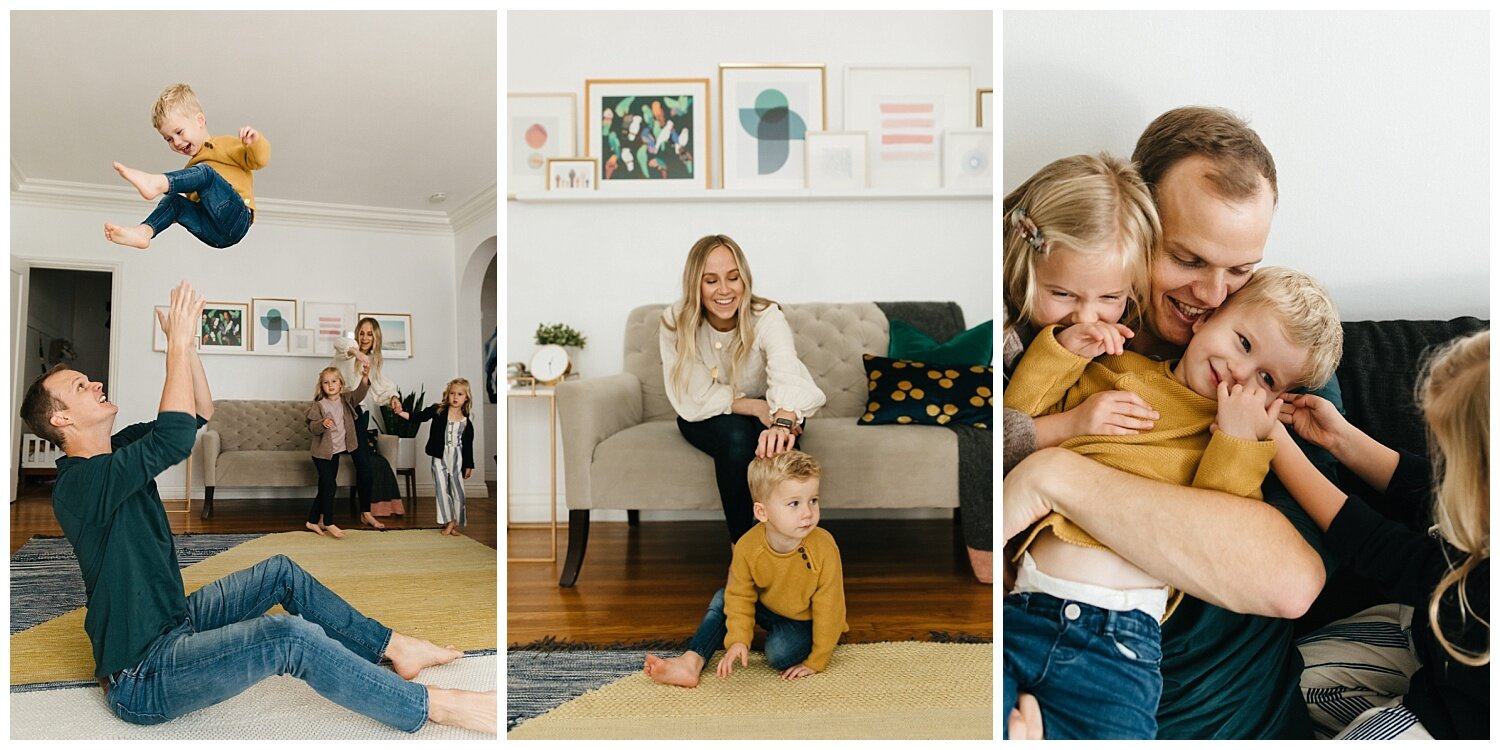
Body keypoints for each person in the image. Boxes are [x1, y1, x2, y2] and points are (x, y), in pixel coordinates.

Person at [17, 280, 494, 733]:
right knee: (286, 638)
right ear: (61, 418)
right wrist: (177, 346)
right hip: (143, 674)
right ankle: (434, 706)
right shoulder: (77, 486)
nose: (95, 384)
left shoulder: (116, 449)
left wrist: (190, 347)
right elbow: (172, 436)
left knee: (280, 571)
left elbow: (201, 413)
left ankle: (395, 647)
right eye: (81, 386)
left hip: (173, 621)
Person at [1004, 106, 1338, 739]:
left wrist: (1054, 476)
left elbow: (1289, 581)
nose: (1215, 294)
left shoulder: (1274, 364)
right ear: (1139, 228)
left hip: (1203, 715)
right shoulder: (1061, 328)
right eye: (1188, 259)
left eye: (1240, 269)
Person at [1271, 330, 1488, 740]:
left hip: (1451, 720)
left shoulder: (1481, 588)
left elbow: (1378, 546)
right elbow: (1422, 484)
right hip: (1428, 636)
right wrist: (1340, 437)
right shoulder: (1480, 504)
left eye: (1447, 455)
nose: (1438, 464)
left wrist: (1275, 442)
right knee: (1283, 684)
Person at [660, 234, 826, 544]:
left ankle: (787, 553)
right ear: (696, 285)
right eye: (711, 280)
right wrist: (754, 406)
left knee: (780, 450)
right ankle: (743, 552)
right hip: (705, 413)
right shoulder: (676, 321)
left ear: (744, 280)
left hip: (774, 409)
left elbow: (786, 371)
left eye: (733, 278)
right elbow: (692, 394)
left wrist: (781, 422)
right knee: (738, 435)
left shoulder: (766, 316)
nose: (724, 290)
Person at [642, 450, 847, 686]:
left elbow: (830, 608)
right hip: (768, 606)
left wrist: (816, 660)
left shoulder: (824, 547)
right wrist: (738, 639)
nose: (808, 513)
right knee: (724, 598)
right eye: (794, 504)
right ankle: (691, 662)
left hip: (803, 619)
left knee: (780, 653)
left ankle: (790, 640)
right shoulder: (748, 546)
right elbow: (740, 594)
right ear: (762, 512)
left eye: (813, 500)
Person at [104, 83, 268, 250]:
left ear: (199, 120)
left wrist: (255, 142)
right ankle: (144, 232)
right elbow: (181, 210)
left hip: (237, 217)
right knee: (174, 200)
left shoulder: (224, 146)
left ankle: (158, 183)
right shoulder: (193, 171)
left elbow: (259, 160)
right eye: (168, 139)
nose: (176, 142)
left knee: (205, 174)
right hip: (214, 234)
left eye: (179, 132)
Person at [331, 316, 406, 526]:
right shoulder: (346, 351)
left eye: (369, 334)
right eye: (362, 333)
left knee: (364, 465)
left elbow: (381, 387)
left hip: (358, 415)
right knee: (330, 465)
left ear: (376, 338)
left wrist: (393, 398)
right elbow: (340, 343)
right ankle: (322, 517)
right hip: (336, 411)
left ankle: (366, 512)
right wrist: (356, 353)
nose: (365, 337)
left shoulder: (374, 362)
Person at [392, 378, 475, 537]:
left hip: (457, 458)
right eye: (452, 393)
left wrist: (469, 465)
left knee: (458, 491)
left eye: (459, 394)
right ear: (447, 395)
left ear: (466, 398)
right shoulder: (438, 410)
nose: (455, 397)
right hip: (439, 456)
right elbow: (418, 417)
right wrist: (400, 413)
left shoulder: (466, 422)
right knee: (442, 489)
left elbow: (468, 446)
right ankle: (449, 521)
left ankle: (455, 520)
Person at [305, 366, 369, 538]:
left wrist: (365, 377)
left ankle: (312, 520)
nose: (330, 385)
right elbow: (312, 427)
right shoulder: (319, 405)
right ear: (322, 386)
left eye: (334, 381)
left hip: (336, 452)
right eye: (326, 382)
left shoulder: (347, 400)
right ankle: (328, 521)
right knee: (330, 485)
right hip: (322, 453)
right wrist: (322, 424)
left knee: (326, 485)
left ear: (341, 384)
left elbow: (361, 392)